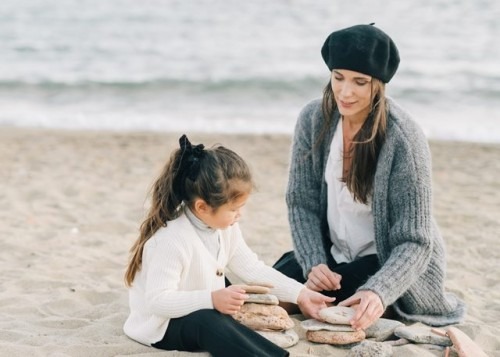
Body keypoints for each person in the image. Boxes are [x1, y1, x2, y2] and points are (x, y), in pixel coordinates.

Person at [273, 23, 465, 331]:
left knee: (315, 304)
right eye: (338, 78)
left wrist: (378, 291)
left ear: (378, 84)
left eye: (359, 82)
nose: (345, 92)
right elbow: (301, 203)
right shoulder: (313, 119)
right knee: (261, 290)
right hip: (331, 254)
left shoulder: (403, 138)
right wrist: (313, 262)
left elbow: (415, 241)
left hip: (385, 260)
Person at [123, 135, 334, 357]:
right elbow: (158, 301)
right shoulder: (171, 240)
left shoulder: (226, 229)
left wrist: (301, 294)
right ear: (202, 207)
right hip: (161, 326)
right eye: (234, 209)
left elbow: (252, 268)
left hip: (201, 305)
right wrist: (212, 298)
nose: (239, 215)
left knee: (226, 307)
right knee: (208, 321)